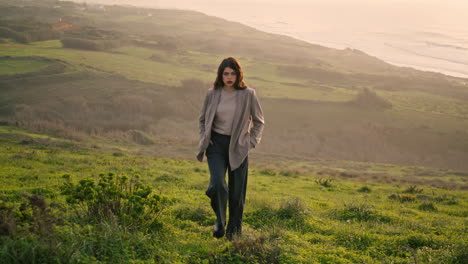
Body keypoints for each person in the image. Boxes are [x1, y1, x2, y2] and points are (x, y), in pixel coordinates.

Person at [197, 57, 265, 240]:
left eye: (233, 73)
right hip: (216, 145)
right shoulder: (212, 94)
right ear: (220, 75)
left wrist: (250, 142)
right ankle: (220, 219)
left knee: (237, 193)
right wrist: (205, 138)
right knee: (217, 184)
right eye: (225, 73)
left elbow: (259, 122)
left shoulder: (248, 94)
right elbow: (203, 120)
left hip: (239, 146)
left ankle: (233, 235)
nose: (229, 77)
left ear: (238, 74)